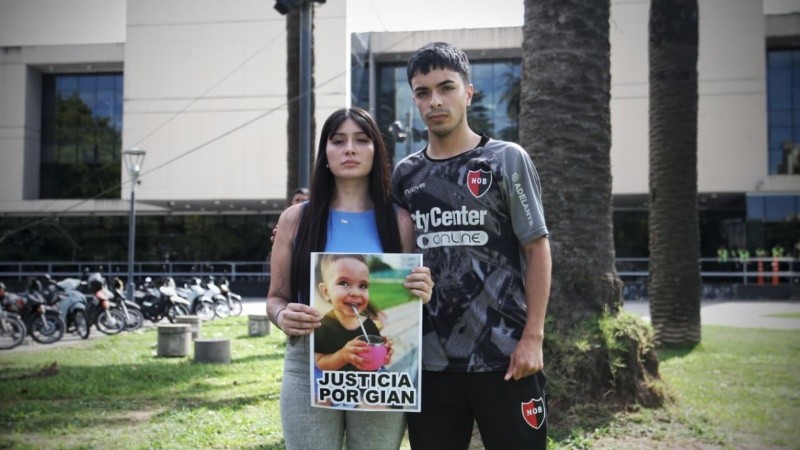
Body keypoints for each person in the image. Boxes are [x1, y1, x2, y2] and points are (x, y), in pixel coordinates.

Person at [391, 42, 552, 450]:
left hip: (505, 358)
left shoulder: (505, 160)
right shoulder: (406, 174)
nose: (435, 101)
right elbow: (391, 256)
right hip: (430, 364)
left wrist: (533, 337)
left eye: (446, 87)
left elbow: (537, 248)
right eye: (423, 92)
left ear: (469, 92)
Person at [266, 107, 433, 450]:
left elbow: (409, 298)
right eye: (338, 141)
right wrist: (283, 315)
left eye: (361, 140)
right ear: (325, 153)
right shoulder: (295, 220)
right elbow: (275, 297)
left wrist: (422, 290)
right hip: (307, 362)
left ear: (376, 151)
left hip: (380, 374)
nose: (350, 149)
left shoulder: (400, 221)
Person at [314, 253, 393, 372]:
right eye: (344, 283)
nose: (356, 293)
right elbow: (320, 362)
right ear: (326, 292)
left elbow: (378, 362)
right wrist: (343, 356)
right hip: (341, 387)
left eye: (362, 285)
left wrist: (383, 355)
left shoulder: (369, 324)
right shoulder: (324, 326)